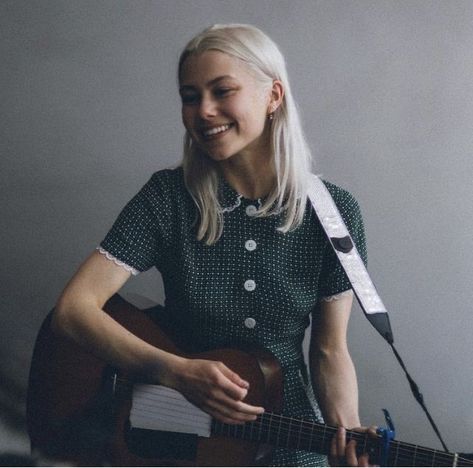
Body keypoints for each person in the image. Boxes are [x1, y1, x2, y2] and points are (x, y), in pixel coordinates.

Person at [53, 23, 376, 466]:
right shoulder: (167, 197)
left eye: (222, 91)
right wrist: (173, 370)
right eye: (190, 96)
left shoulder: (336, 213)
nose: (203, 110)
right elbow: (74, 309)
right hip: (175, 433)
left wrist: (348, 429)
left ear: (273, 97)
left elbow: (329, 349)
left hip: (286, 432)